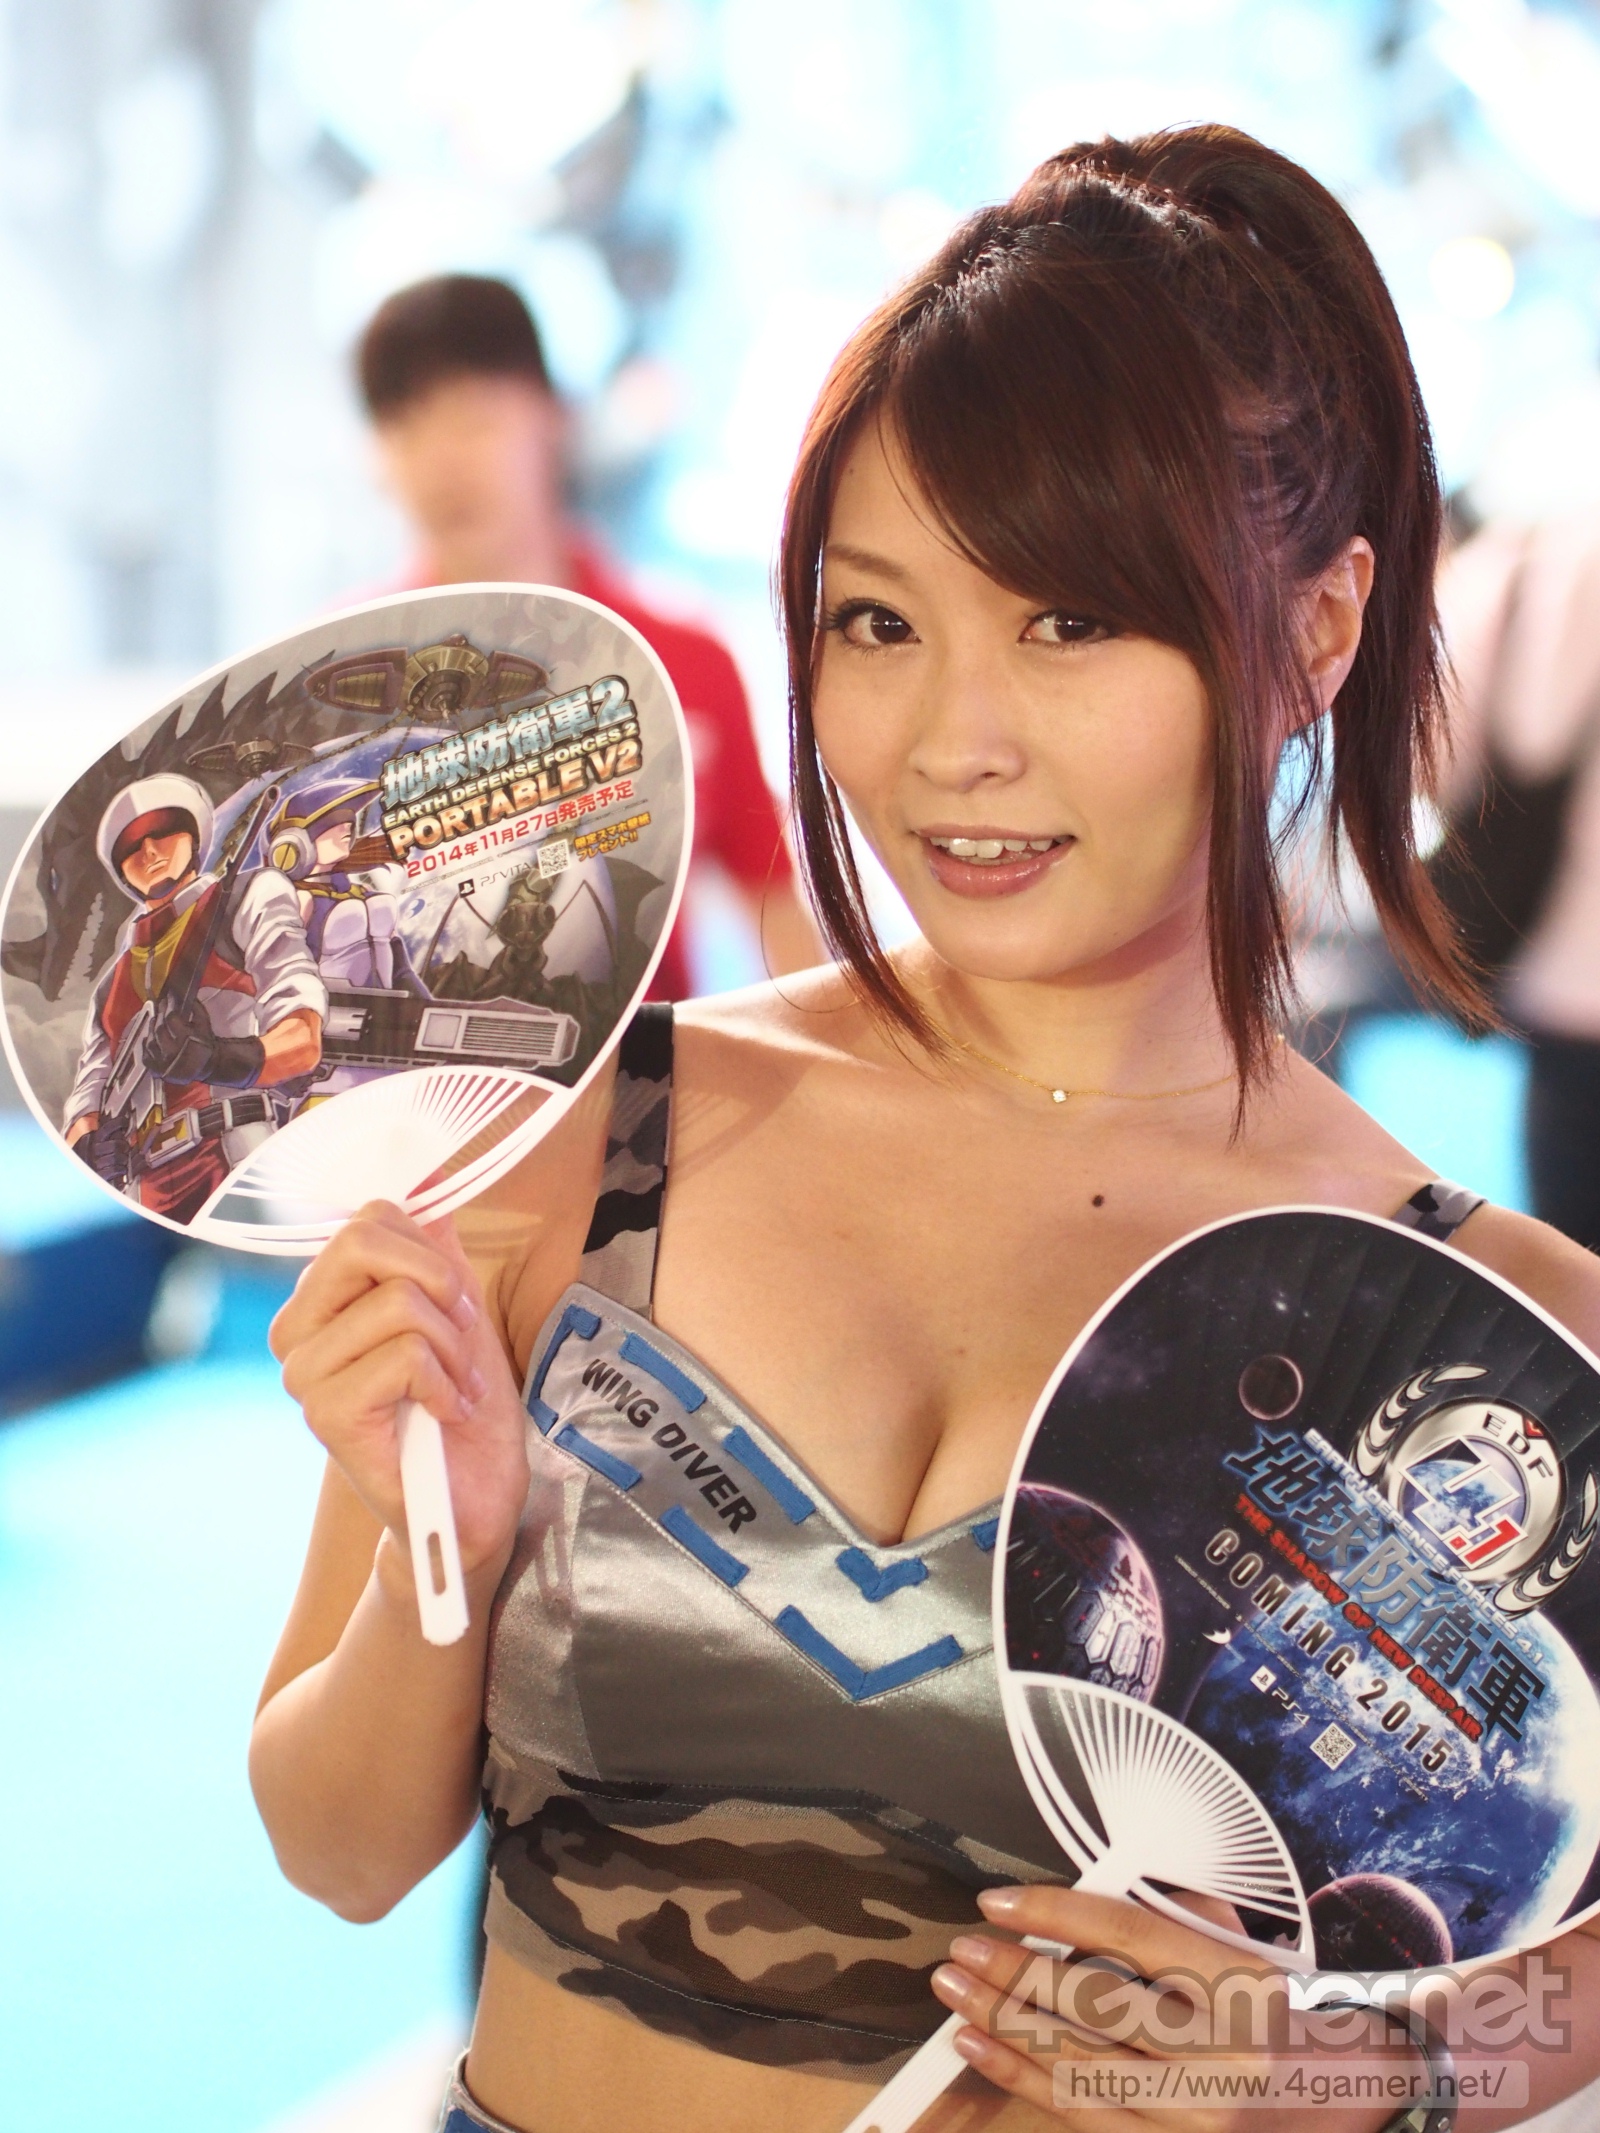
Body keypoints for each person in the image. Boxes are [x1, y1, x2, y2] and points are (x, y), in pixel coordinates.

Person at [252, 130, 1600, 2133]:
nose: (952, 740)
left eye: (1067, 622)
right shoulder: (587, 1137)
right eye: (877, 622)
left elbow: (1555, 1965)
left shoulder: (1474, 1331)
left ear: (1318, 630)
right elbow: (340, 1846)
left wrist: (1366, 2063)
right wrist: (431, 1552)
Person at [354, 272, 820, 995]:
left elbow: (776, 910)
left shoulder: (680, 661)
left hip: (659, 1062)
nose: (442, 459)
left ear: (555, 417)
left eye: (474, 418)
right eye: (406, 426)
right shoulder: (344, 685)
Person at [1435, 514, 1600, 1251]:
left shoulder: (1518, 570)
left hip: (1566, 994)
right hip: (1561, 998)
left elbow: (1430, 763)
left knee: (1575, 1270)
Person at [65, 774, 325, 1224]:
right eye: (131, 846)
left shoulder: (245, 898)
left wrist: (216, 1060)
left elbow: (304, 1040)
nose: (150, 852)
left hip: (235, 1152)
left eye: (163, 830)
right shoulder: (110, 987)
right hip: (142, 1191)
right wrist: (91, 1150)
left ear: (193, 837)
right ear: (121, 870)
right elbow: (83, 1108)